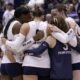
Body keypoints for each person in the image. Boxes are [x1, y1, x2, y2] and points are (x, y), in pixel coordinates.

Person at [1, 6, 76, 80]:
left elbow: (17, 47)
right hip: (45, 65)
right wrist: (70, 29)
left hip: (29, 63)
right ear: (43, 16)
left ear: (32, 15)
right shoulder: (48, 26)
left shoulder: (25, 26)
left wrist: (5, 41)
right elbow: (65, 39)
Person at [23, 15, 77, 80]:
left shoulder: (51, 38)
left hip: (56, 74)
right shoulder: (69, 38)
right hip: (68, 74)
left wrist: (25, 51)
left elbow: (38, 51)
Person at [0, 6, 31, 80]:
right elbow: (17, 46)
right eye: (28, 16)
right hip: (15, 62)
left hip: (4, 63)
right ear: (23, 16)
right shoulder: (18, 25)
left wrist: (5, 51)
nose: (29, 18)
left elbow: (1, 40)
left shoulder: (7, 24)